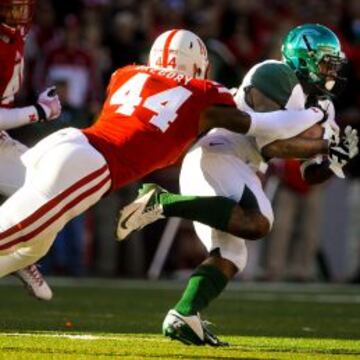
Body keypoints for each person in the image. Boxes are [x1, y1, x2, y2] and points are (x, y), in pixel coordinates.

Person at [0, 28, 328, 281]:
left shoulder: (125, 74)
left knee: (35, 243)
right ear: (198, 65)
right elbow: (256, 123)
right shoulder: (202, 93)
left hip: (64, 143)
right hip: (91, 165)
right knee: (16, 230)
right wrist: (315, 120)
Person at [116, 24, 358, 346]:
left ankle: (184, 315)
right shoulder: (276, 76)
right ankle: (162, 202)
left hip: (237, 168)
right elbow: (270, 144)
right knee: (260, 221)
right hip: (220, 154)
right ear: (304, 59)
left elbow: (309, 174)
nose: (332, 70)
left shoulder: (324, 108)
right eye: (326, 62)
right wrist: (324, 146)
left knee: (232, 253)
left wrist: (335, 161)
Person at [0, 0, 61, 300]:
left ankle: (20, 256)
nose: (17, 14)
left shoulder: (14, 36)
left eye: (21, 6)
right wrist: (38, 111)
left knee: (50, 188)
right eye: (10, 7)